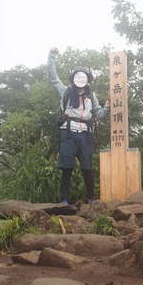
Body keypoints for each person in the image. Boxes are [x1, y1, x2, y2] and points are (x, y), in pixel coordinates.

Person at [47, 47, 110, 205]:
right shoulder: (66, 91)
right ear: (73, 78)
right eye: (78, 76)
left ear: (87, 79)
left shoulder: (91, 96)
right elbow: (53, 78)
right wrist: (52, 56)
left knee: (87, 167)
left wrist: (109, 103)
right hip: (68, 132)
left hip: (86, 134)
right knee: (67, 168)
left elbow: (100, 114)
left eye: (84, 77)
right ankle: (64, 201)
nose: (81, 79)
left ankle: (91, 200)